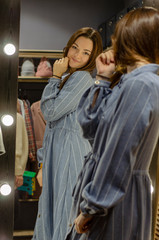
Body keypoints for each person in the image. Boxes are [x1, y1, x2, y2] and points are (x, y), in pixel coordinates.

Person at [65, 7, 159, 240]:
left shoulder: (142, 85)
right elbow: (90, 128)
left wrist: (92, 206)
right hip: (107, 192)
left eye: (118, 35)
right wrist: (103, 79)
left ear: (131, 36)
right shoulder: (130, 83)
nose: (114, 41)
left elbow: (119, 152)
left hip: (116, 197)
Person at [32, 27, 103, 240]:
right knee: (54, 215)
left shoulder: (81, 79)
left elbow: (51, 112)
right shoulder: (69, 78)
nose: (76, 55)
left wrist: (53, 77)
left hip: (70, 157)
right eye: (75, 47)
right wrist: (43, 164)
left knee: (63, 217)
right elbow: (52, 130)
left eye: (85, 53)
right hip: (59, 156)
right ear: (68, 46)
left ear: (92, 58)